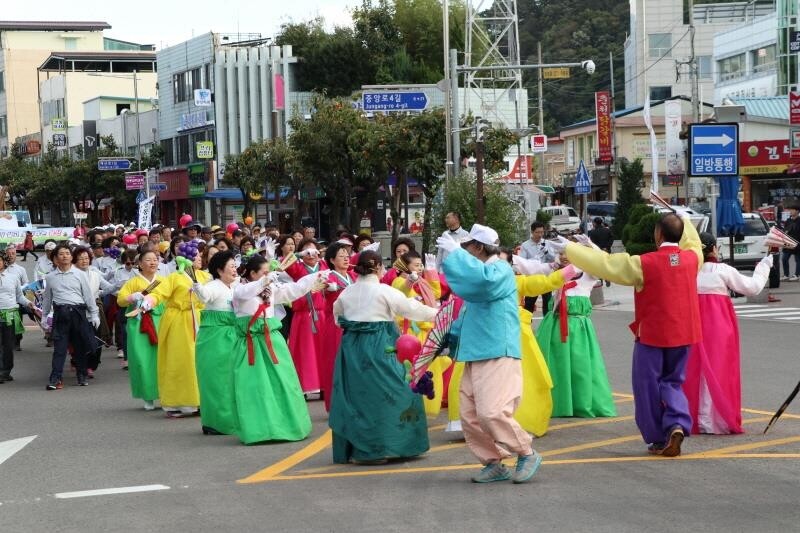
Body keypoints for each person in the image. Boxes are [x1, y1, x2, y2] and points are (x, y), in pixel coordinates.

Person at [552, 213, 702, 457]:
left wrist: (571, 249)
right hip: (685, 332)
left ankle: (657, 437)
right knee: (673, 381)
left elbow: (609, 265)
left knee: (647, 387)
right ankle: (677, 423)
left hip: (652, 333)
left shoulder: (644, 263)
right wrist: (682, 217)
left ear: (658, 234)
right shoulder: (693, 258)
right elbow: (693, 242)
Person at [437, 224, 544, 484]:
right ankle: (493, 462)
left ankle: (526, 451)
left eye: (467, 248)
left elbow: (483, 284)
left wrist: (457, 256)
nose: (464, 252)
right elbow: (467, 312)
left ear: (478, 247)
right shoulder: (484, 272)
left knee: (491, 412)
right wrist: (447, 338)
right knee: (470, 416)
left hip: (497, 349)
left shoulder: (499, 270)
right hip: (476, 351)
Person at [329, 250, 438, 464]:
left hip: (352, 347)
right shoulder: (383, 291)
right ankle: (393, 445)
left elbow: (337, 316)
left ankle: (364, 450)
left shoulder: (347, 292)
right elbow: (412, 309)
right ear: (378, 267)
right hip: (381, 345)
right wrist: (441, 313)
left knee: (358, 396)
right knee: (399, 390)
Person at [683, 233, 771, 434]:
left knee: (692, 370)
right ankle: (714, 419)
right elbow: (753, 287)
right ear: (714, 248)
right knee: (718, 370)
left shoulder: (688, 271)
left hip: (691, 324)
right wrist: (765, 264)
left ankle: (692, 417)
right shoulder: (723, 270)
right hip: (718, 325)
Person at [231, 255, 321, 444]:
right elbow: (246, 292)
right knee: (255, 387)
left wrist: (314, 277)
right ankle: (260, 429)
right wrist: (266, 279)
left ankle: (288, 425)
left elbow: (293, 290)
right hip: (252, 344)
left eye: (268, 271)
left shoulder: (270, 289)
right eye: (263, 272)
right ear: (252, 273)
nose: (268, 275)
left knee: (284, 382)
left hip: (272, 340)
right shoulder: (240, 288)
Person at [535, 245, 617, 418]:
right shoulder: (555, 273)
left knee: (581, 368)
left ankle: (582, 403)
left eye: (568, 253)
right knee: (555, 365)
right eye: (561, 253)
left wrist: (591, 246)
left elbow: (604, 262)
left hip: (578, 328)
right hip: (554, 326)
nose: (564, 256)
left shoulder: (589, 274)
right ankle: (556, 404)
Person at [148, 250, 212, 417]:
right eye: (197, 255)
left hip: (201, 319)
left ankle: (201, 400)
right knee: (181, 360)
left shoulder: (205, 276)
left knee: (200, 360)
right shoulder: (175, 277)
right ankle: (178, 402)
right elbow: (158, 293)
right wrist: (148, 300)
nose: (200, 258)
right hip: (178, 320)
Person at [390, 250, 445, 417]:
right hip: (410, 333)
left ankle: (425, 407)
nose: (420, 268)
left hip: (426, 330)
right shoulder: (399, 280)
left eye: (421, 264)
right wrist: (409, 285)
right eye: (416, 265)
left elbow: (435, 295)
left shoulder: (421, 281)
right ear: (405, 266)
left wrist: (432, 272)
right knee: (411, 371)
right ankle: (411, 405)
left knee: (429, 370)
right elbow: (400, 293)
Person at [192, 251, 241, 435]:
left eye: (235, 266)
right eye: (231, 267)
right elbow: (204, 296)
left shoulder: (235, 286)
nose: (235, 270)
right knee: (216, 380)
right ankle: (215, 422)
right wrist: (196, 284)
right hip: (215, 338)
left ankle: (231, 420)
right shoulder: (213, 285)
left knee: (232, 380)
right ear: (220, 270)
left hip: (233, 336)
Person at [42, 244, 100, 389]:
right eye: (61, 254)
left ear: (71, 256)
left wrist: (94, 314)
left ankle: (81, 375)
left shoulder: (80, 274)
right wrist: (44, 317)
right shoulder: (50, 277)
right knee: (59, 349)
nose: (65, 256)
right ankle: (55, 378)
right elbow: (47, 298)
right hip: (60, 314)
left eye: (67, 253)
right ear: (55, 258)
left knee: (80, 347)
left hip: (78, 314)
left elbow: (88, 296)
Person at [117, 249, 165, 410]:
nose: (152, 262)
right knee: (142, 360)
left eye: (155, 259)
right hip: (139, 324)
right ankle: (147, 395)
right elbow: (120, 300)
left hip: (161, 321)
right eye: (148, 259)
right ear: (139, 263)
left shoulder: (163, 280)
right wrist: (132, 297)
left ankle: (166, 395)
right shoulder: (133, 282)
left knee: (163, 359)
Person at [284, 238, 329, 396]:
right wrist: (297, 254)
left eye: (313, 251)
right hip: (303, 315)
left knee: (324, 351)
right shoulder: (297, 268)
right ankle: (303, 386)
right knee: (304, 352)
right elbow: (285, 263)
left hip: (323, 314)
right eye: (306, 252)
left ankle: (325, 386)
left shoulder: (324, 266)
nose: (311, 255)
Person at [319, 242, 357, 411]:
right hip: (336, 324)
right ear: (332, 260)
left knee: (353, 363)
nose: (346, 259)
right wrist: (328, 288)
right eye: (341, 256)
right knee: (335, 362)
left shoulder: (353, 276)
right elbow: (319, 288)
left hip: (354, 323)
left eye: (347, 255)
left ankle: (353, 401)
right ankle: (335, 403)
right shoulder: (329, 276)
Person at [72, 247, 114, 376]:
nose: (84, 261)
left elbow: (108, 288)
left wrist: (121, 285)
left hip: (95, 308)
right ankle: (80, 364)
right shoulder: (72, 273)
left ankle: (92, 365)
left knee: (97, 337)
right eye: (81, 259)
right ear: (75, 260)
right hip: (78, 309)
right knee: (80, 339)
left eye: (86, 258)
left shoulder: (95, 273)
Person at [0, 249, 36, 383]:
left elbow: (19, 296)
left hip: (10, 314)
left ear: (4, 262)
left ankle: (6, 371)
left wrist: (29, 303)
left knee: (8, 345)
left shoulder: (13, 277)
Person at [519, 222, 557, 314]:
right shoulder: (525, 245)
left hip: (546, 277)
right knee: (529, 304)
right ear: (532, 232)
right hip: (532, 278)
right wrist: (533, 260)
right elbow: (522, 261)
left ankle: (547, 325)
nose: (540, 235)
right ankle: (527, 325)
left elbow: (554, 259)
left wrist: (546, 252)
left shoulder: (546, 243)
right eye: (537, 232)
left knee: (547, 304)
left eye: (542, 232)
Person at [780, 204, 800, 281]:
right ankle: (786, 275)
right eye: (790, 210)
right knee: (784, 258)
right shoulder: (788, 220)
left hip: (798, 243)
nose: (790, 211)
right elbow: (785, 230)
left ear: (797, 211)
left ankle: (797, 275)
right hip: (788, 242)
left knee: (798, 260)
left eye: (792, 210)